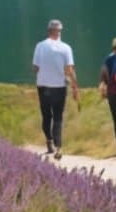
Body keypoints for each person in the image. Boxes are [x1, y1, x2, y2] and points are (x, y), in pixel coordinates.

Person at [31, 20, 80, 160]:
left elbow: (35, 68)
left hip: (43, 86)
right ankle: (58, 147)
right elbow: (70, 70)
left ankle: (49, 142)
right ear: (58, 31)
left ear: (48, 31)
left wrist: (44, 71)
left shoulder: (39, 46)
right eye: (59, 31)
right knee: (58, 117)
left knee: (47, 116)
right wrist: (75, 88)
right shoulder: (66, 48)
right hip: (59, 87)